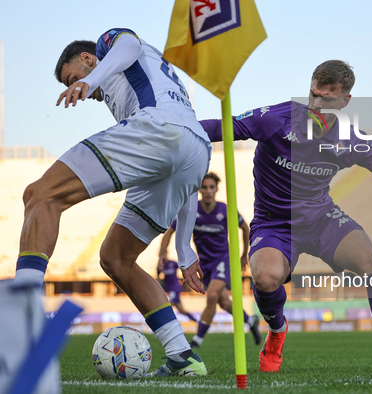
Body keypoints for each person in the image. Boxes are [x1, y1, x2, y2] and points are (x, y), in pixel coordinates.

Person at [198, 60, 372, 373]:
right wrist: (174, 134)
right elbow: (220, 128)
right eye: (312, 95)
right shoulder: (277, 118)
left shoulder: (350, 138)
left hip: (321, 219)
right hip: (274, 222)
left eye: (326, 99)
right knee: (265, 279)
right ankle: (277, 331)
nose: (316, 105)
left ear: (345, 101)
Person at [13, 28, 212, 377]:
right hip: (195, 148)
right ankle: (183, 355)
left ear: (88, 59)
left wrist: (92, 80)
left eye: (73, 77)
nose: (76, 88)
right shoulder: (139, 90)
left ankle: (20, 321)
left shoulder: (109, 46)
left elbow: (129, 43)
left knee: (40, 194)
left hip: (157, 129)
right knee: (116, 258)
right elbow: (187, 175)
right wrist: (185, 251)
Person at [158, 172, 261, 347]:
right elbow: (170, 230)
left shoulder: (225, 210)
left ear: (216, 189)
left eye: (211, 187)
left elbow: (245, 227)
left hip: (223, 261)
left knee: (212, 296)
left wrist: (244, 255)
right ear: (199, 189)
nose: (208, 191)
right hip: (203, 264)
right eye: (204, 187)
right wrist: (162, 254)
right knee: (223, 302)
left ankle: (196, 340)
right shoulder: (191, 210)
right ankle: (250, 321)